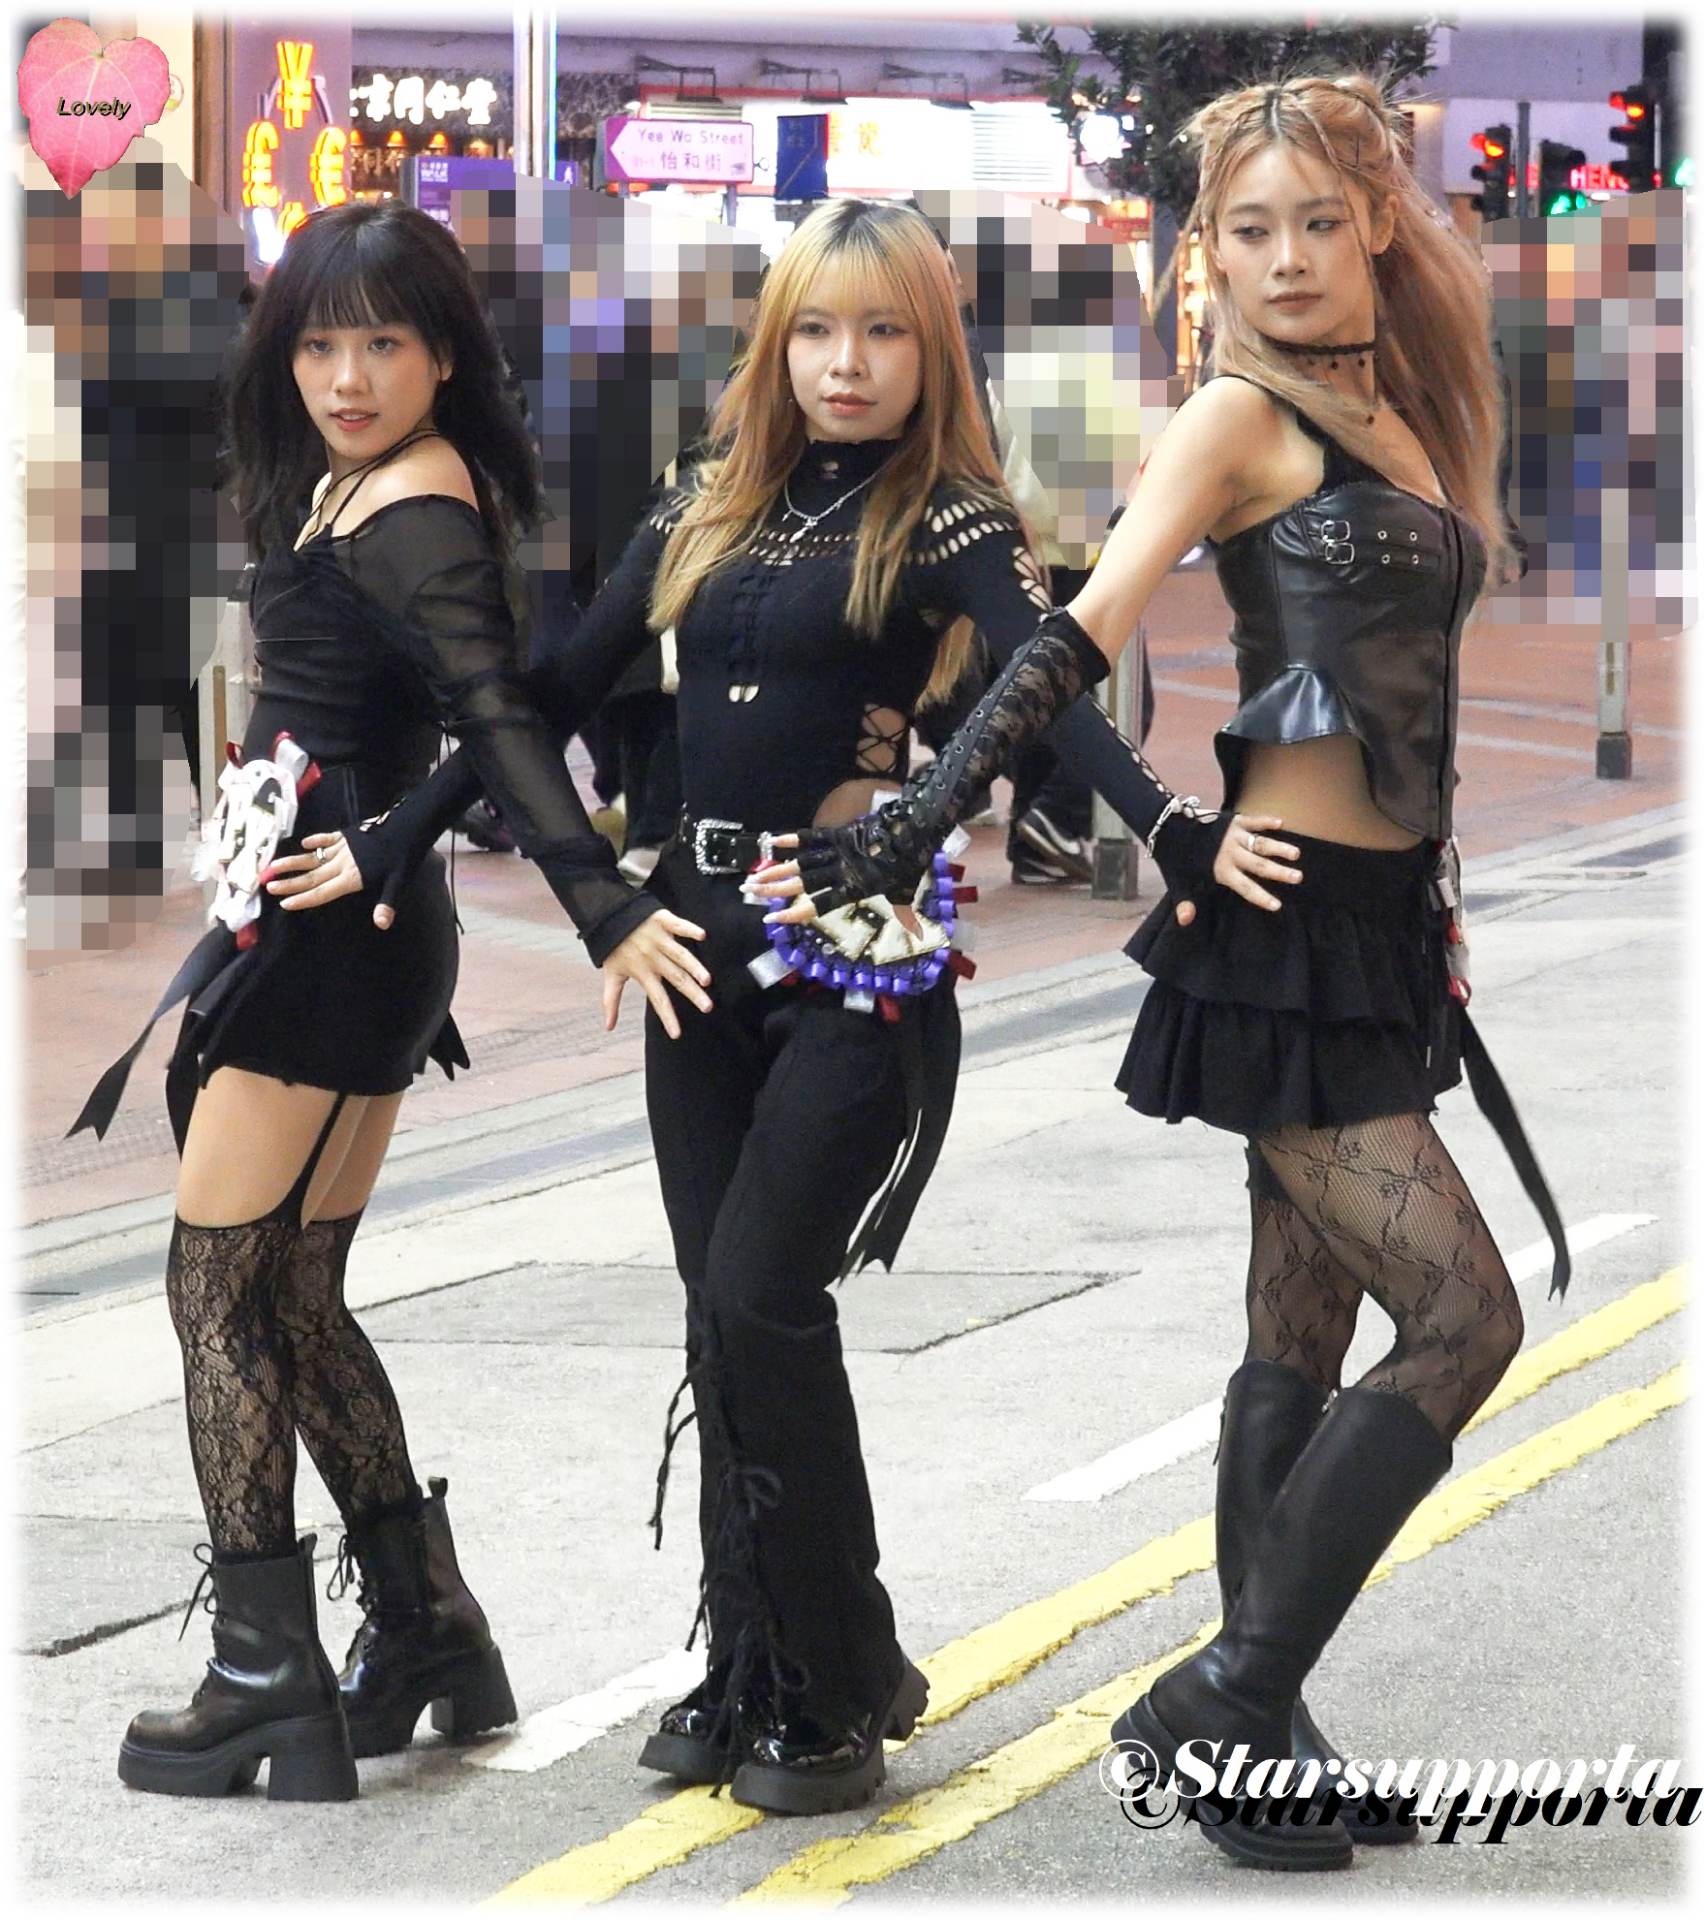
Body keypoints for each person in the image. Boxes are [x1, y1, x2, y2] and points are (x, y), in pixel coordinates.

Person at [754, 74, 1568, 1869]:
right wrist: (925, 820)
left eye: (1318, 223)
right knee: (1467, 1320)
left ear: (1378, 226)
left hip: (1376, 932)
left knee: (1303, 1329)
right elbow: (1077, 631)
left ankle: (1265, 1732)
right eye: (1248, 231)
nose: (1286, 259)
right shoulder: (1234, 415)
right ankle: (1226, 1694)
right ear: (1209, 252)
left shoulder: (1403, 410)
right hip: (1278, 937)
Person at [293, 196, 1166, 1815]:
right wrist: (391, 837)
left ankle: (830, 1689)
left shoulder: (953, 515)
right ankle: (761, 1663)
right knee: (717, 1311)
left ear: (930, 348)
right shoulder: (709, 497)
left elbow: (1056, 679)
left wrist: (1174, 836)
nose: (848, 362)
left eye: (883, 330)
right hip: (692, 945)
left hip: (854, 945)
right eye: (818, 329)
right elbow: (544, 698)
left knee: (766, 1295)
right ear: (777, 343)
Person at [70, 200, 709, 1801]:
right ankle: (426, 1631)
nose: (346, 377)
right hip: (336, 915)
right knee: (290, 1294)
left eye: (383, 344)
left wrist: (599, 902)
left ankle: (261, 1675)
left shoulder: (413, 505)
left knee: (217, 1295)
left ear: (444, 357)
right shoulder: (361, 480)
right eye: (318, 344)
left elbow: (499, 721)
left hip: (328, 939)